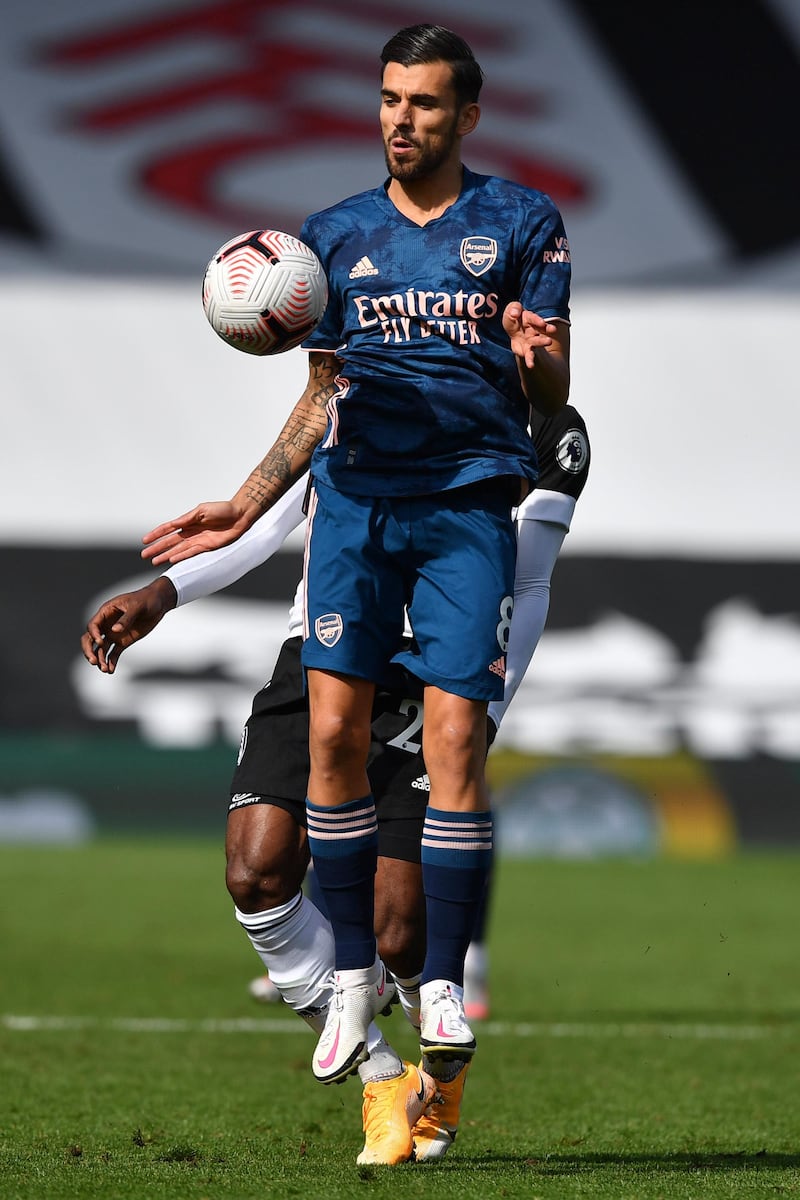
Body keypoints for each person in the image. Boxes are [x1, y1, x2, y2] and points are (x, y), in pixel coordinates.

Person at [139, 24, 571, 1101]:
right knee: (328, 731)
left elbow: (551, 395)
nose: (400, 118)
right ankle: (340, 984)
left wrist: (539, 364)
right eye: (388, 98)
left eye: (424, 103)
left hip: (467, 505)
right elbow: (321, 396)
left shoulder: (521, 222)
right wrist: (240, 507)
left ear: (465, 116)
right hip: (354, 514)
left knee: (455, 737)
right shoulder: (330, 237)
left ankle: (437, 981)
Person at [82, 403, 589, 1164]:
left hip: (438, 674)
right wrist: (166, 591)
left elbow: (533, 576)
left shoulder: (553, 430)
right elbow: (272, 514)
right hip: (322, 647)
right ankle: (383, 1074)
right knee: (255, 871)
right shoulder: (369, 370)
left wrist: (486, 710)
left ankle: (437, 1069)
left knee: (401, 931)